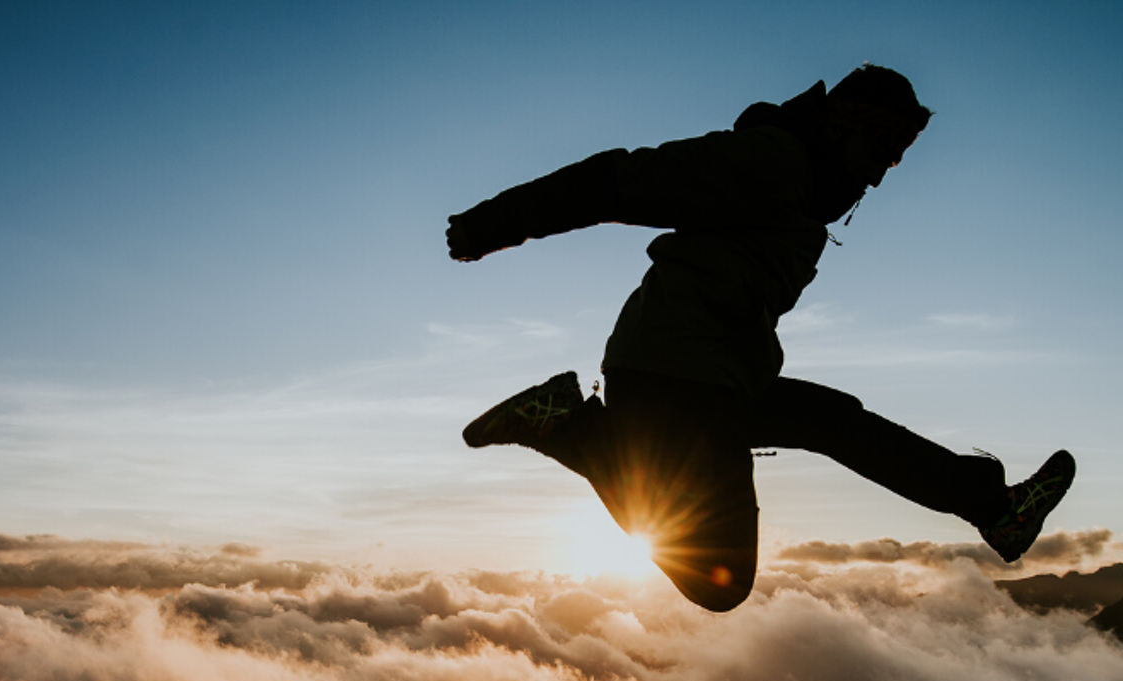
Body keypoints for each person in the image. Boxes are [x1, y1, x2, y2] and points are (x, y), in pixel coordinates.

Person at [446, 64, 1074, 612]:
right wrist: (490, 226)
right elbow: (620, 181)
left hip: (722, 376)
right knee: (720, 584)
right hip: (675, 374)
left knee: (833, 420)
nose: (882, 177)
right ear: (842, 126)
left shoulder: (799, 186)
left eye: (896, 161)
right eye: (881, 153)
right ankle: (565, 425)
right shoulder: (766, 161)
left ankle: (997, 510)